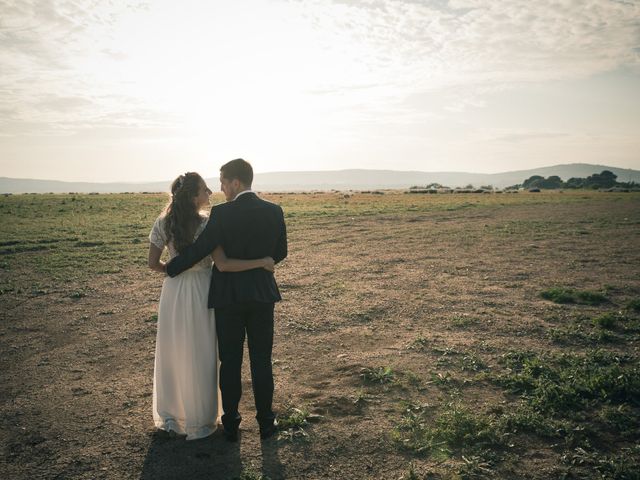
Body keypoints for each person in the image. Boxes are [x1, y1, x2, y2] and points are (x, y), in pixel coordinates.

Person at [165, 159, 287, 441]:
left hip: (229, 298)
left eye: (222, 182)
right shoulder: (274, 211)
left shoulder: (222, 214)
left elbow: (200, 249)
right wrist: (261, 264)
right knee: (261, 361)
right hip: (261, 295)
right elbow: (280, 252)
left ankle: (231, 423)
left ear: (236, 182)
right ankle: (266, 424)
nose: (220, 189)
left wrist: (170, 268)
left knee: (229, 361)